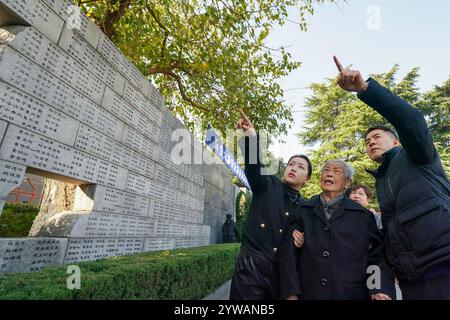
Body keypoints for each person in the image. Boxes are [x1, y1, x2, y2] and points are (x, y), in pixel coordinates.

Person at [334, 56, 450, 299]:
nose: (371, 142)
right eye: (367, 141)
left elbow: (412, 121)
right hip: (413, 279)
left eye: (377, 136)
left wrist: (365, 89)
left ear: (396, 141)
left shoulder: (417, 156)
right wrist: (381, 286)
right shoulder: (382, 179)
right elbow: (385, 242)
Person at [280, 160, 395, 300]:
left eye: (336, 171)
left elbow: (377, 256)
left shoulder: (363, 216)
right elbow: (289, 255)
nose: (329, 174)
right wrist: (291, 293)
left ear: (347, 183)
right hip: (309, 292)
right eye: (326, 170)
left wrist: (377, 287)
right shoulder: (303, 210)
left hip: (350, 293)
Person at [229, 110, 312, 300]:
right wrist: (251, 137)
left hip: (281, 276)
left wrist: (302, 240)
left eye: (300, 167)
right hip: (251, 268)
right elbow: (254, 166)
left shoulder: (304, 207)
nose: (293, 168)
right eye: (291, 164)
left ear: (307, 179)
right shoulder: (268, 184)